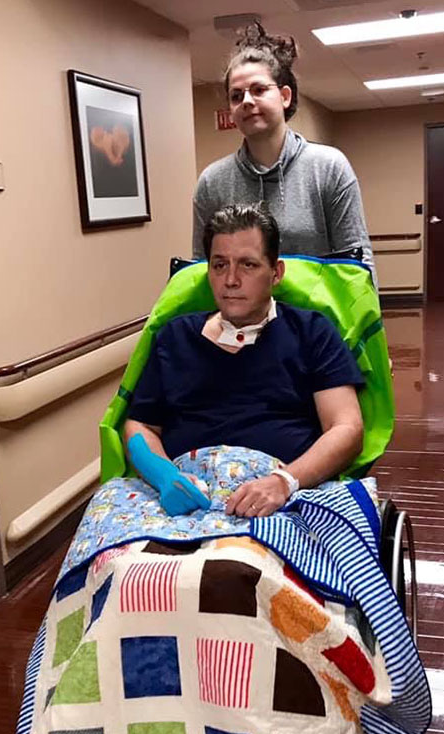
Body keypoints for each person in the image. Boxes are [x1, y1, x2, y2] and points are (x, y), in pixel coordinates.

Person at [124, 203, 364, 519]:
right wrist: (165, 476)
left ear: (276, 273)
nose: (231, 280)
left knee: (243, 568)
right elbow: (139, 424)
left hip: (286, 495)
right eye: (219, 265)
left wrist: (285, 481)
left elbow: (347, 427)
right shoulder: (174, 337)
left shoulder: (311, 333)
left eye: (248, 265)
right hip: (183, 496)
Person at [192, 22, 376, 282]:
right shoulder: (213, 182)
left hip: (316, 320)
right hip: (241, 322)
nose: (246, 101)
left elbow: (359, 262)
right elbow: (202, 268)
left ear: (285, 96)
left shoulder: (328, 167)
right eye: (236, 96)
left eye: (258, 90)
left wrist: (365, 320)